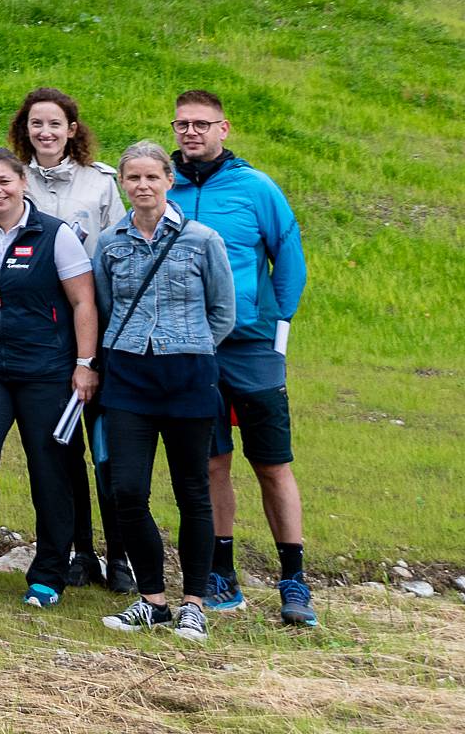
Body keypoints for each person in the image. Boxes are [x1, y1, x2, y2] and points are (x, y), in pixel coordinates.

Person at [169, 88, 315, 627]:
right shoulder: (166, 186)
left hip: (252, 346)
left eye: (202, 124)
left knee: (272, 463)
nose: (191, 133)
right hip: (194, 347)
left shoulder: (256, 188)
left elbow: (289, 256)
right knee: (211, 462)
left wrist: (278, 327)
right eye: (183, 124)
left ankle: (294, 579)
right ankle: (220, 574)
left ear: (223, 129)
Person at [0, 149, 101, 606]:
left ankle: (49, 573)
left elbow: (83, 302)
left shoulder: (55, 235)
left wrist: (84, 364)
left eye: (4, 181)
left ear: (22, 182)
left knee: (51, 465)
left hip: (47, 371)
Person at [94, 140, 235, 644]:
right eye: (133, 178)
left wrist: (189, 346)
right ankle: (152, 599)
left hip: (189, 377)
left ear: (168, 180)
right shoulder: (109, 243)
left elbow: (223, 311)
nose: (143, 186)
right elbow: (106, 305)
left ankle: (194, 601)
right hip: (129, 377)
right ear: (123, 185)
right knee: (126, 488)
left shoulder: (202, 240)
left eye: (152, 177)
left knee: (192, 489)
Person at [15, 85, 124, 589]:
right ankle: (81, 550)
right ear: (25, 130)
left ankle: (120, 554)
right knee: (63, 447)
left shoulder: (99, 184)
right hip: (43, 331)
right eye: (37, 123)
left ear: (72, 130)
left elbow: (120, 251)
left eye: (55, 123)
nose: (46, 132)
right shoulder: (13, 183)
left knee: (109, 448)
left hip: (95, 326)